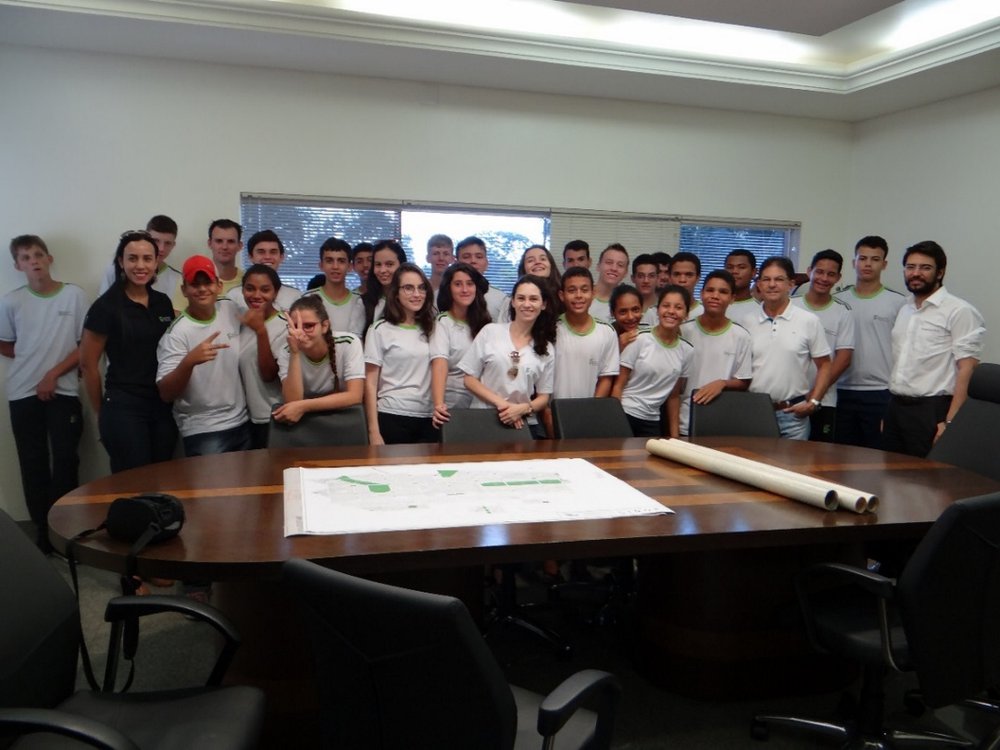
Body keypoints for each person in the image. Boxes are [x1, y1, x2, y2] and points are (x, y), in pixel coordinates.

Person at [1, 234, 87, 552]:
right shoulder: (11, 301)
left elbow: (85, 346)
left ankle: (65, 528)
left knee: (65, 458)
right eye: (25, 257)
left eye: (38, 254)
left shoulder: (74, 296)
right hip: (23, 393)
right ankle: (42, 532)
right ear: (17, 265)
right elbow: (5, 342)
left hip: (62, 390)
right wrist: (31, 362)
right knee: (32, 462)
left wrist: (52, 373)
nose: (33, 261)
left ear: (49, 258)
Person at [81, 229, 177, 475]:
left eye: (147, 258)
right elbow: (89, 366)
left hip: (162, 405)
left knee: (162, 481)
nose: (140, 265)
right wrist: (101, 414)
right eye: (132, 258)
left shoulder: (163, 302)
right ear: (121, 262)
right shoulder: (106, 307)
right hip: (124, 407)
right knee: (134, 485)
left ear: (156, 262)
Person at [884, 240, 985, 457]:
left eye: (925, 267)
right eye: (911, 267)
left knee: (926, 482)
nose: (916, 273)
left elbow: (967, 369)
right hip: (896, 407)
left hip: (933, 410)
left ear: (940, 273)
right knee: (891, 476)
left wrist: (950, 421)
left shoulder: (959, 311)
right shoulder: (905, 308)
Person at [157, 255, 250, 456]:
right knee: (212, 487)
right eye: (194, 284)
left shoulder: (230, 308)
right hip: (203, 430)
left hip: (243, 422)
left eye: (207, 282)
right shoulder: (176, 334)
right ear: (184, 290)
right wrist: (188, 362)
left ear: (219, 285)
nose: (201, 289)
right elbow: (166, 393)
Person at [459, 275, 557, 439]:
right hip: (483, 418)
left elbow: (544, 397)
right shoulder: (490, 332)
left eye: (533, 299)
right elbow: (469, 379)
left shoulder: (546, 348)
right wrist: (504, 405)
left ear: (543, 304)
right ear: (513, 302)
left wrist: (523, 409)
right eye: (521, 298)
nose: (527, 304)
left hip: (521, 423)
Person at [747, 256, 832, 440]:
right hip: (754, 413)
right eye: (766, 279)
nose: (772, 285)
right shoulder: (746, 322)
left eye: (779, 279)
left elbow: (825, 365)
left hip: (793, 415)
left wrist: (814, 401)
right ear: (759, 284)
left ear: (790, 284)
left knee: (791, 468)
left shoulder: (808, 321)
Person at [833, 236, 906, 449]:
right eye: (862, 258)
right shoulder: (839, 301)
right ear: (854, 261)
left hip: (881, 392)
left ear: (884, 264)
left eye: (875, 259)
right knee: (840, 455)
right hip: (841, 390)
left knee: (877, 455)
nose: (867, 264)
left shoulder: (899, 303)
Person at [364, 263, 437, 444]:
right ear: (395, 293)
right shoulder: (380, 329)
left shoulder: (434, 328)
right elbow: (370, 384)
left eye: (421, 288)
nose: (416, 294)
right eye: (408, 288)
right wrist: (374, 431)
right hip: (392, 415)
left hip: (429, 417)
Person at [791, 249, 856, 442]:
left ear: (838, 278)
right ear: (810, 271)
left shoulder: (843, 312)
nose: (823, 278)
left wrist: (816, 392)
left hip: (824, 400)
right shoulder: (790, 305)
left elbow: (843, 359)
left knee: (819, 459)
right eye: (819, 272)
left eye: (831, 274)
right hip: (790, 398)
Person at [612, 285, 693, 438]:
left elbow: (674, 396)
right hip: (626, 412)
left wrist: (676, 438)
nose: (671, 311)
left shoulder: (687, 350)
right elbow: (618, 386)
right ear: (657, 310)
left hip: (653, 419)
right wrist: (617, 423)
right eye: (666, 306)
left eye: (678, 307)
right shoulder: (638, 338)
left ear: (686, 314)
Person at [678, 270, 752, 436]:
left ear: (732, 298)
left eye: (723, 292)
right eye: (710, 290)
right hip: (684, 419)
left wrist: (722, 383)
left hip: (722, 420)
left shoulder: (741, 336)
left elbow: (744, 381)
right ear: (702, 294)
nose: (715, 296)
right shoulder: (683, 331)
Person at [546, 267, 619, 434]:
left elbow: (606, 378)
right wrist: (547, 415)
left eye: (584, 290)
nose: (579, 295)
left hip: (588, 417)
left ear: (593, 293)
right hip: (552, 415)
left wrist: (592, 412)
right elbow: (540, 378)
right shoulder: (550, 329)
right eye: (572, 290)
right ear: (562, 295)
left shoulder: (607, 332)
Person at [273, 295, 365, 424]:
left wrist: (304, 406)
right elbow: (292, 401)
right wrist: (295, 353)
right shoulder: (286, 351)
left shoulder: (348, 342)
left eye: (308, 326)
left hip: (343, 416)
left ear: (324, 326)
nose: (301, 332)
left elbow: (355, 395)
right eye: (295, 326)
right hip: (305, 421)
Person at [430, 262, 492, 428]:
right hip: (451, 405)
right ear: (448, 289)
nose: (465, 290)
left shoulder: (485, 323)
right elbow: (439, 364)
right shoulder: (443, 321)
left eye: (470, 284)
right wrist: (439, 405)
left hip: (480, 403)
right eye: (458, 284)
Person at [237, 264, 285, 448]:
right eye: (250, 288)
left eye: (265, 289)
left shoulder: (284, 325)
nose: (256, 295)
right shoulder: (242, 322)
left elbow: (269, 374)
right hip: (246, 419)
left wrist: (261, 331)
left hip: (275, 418)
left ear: (276, 292)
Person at [98, 215, 182, 303]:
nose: (161, 248)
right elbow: (102, 307)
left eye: (167, 243)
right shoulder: (114, 270)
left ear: (173, 245)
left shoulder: (178, 279)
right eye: (156, 240)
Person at [171, 219, 244, 311]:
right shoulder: (189, 279)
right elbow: (178, 317)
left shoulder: (246, 281)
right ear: (210, 243)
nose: (224, 247)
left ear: (240, 246)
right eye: (219, 241)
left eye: (231, 241)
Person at [306, 237, 365, 336]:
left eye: (341, 261)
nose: (335, 267)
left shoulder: (360, 301)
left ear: (350, 266)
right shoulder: (307, 299)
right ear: (321, 265)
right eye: (329, 261)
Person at [456, 236, 509, 323]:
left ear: (486, 263)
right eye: (466, 257)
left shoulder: (501, 299)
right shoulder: (442, 295)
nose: (473, 261)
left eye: (479, 257)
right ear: (456, 262)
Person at [244, 229, 300, 310]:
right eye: (261, 252)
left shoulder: (295, 296)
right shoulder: (234, 296)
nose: (267, 257)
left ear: (281, 257)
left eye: (273, 252)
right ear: (250, 257)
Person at [361, 239, 407, 333]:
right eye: (378, 264)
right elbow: (357, 339)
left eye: (389, 264)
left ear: (402, 266)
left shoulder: (413, 299)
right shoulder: (364, 302)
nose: (382, 270)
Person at [589, 243, 629, 324]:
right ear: (598, 266)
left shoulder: (626, 303)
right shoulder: (583, 296)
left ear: (626, 273)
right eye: (609, 262)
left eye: (620, 265)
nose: (614, 268)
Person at [517, 244, 561, 312]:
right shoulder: (514, 299)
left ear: (551, 265)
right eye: (530, 260)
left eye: (543, 259)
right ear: (523, 268)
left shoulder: (563, 295)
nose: (537, 262)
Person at [724, 248, 760, 328]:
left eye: (741, 267)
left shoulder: (761, 311)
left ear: (753, 272)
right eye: (730, 267)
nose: (734, 271)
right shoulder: (714, 306)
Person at [609, 284, 649, 353]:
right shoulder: (605, 336)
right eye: (623, 312)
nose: (630, 317)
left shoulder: (648, 335)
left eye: (635, 310)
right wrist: (617, 348)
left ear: (642, 309)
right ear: (612, 313)